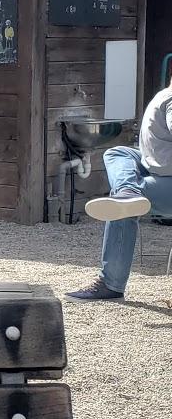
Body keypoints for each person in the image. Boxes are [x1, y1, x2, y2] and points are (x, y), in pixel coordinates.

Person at [67, 78, 172, 301]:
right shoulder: (167, 95)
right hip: (158, 167)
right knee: (118, 153)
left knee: (119, 206)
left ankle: (111, 284)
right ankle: (127, 192)